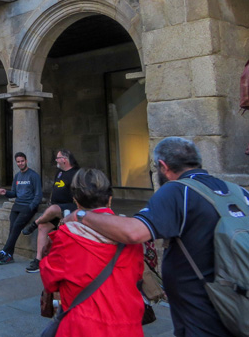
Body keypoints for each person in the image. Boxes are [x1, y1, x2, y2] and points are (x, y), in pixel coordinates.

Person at [61, 137, 249, 337]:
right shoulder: (238, 191)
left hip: (203, 314)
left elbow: (134, 232)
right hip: (238, 300)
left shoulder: (177, 190)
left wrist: (81, 215)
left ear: (163, 166)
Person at [40, 168, 144, 336]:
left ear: (76, 201)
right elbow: (138, 275)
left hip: (82, 325)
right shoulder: (130, 234)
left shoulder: (68, 236)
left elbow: (50, 279)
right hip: (127, 325)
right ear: (110, 199)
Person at [23, 149, 80, 273]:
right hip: (56, 207)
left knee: (53, 210)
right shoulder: (59, 173)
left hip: (70, 207)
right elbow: (55, 188)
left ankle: (34, 223)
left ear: (64, 159)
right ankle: (38, 260)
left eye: (58, 158)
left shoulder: (76, 174)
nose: (56, 160)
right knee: (43, 227)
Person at [0, 152, 42, 265]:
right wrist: (6, 192)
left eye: (22, 161)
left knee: (16, 227)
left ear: (26, 161)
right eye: (18, 162)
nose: (20, 163)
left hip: (27, 206)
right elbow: (14, 193)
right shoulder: (17, 176)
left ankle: (4, 252)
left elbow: (38, 195)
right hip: (17, 205)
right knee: (12, 230)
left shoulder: (34, 175)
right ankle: (9, 256)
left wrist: (31, 207)